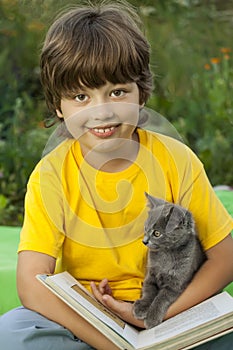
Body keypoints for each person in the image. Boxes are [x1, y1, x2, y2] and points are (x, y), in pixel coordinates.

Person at [0, 1, 233, 349]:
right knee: (13, 332)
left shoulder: (176, 159)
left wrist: (152, 315)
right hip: (89, 320)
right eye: (81, 96)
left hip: (168, 311)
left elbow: (225, 257)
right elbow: (31, 283)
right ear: (59, 107)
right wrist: (112, 344)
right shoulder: (51, 175)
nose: (103, 111)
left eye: (118, 92)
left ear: (140, 93)